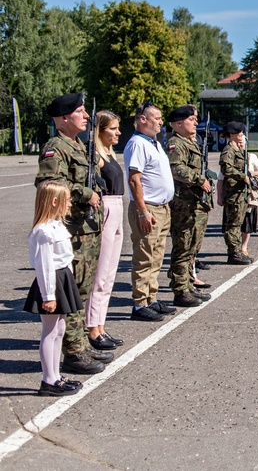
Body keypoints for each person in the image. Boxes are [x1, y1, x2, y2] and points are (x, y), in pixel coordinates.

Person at [35, 93, 109, 375]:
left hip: (87, 228)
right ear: (64, 118)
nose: (87, 116)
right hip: (71, 229)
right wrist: (85, 193)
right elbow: (50, 183)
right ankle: (73, 352)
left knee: (82, 290)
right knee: (71, 291)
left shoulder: (79, 145)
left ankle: (80, 345)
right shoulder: (56, 147)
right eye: (81, 112)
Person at [24, 181, 84, 396]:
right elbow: (45, 266)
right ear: (54, 201)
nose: (70, 204)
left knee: (59, 329)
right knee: (50, 331)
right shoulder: (43, 232)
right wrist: (49, 295)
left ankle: (55, 375)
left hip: (61, 279)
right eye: (66, 200)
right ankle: (48, 380)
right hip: (51, 282)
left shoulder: (57, 225)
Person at [125, 101, 176, 321]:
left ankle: (151, 298)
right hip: (148, 208)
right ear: (142, 119)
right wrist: (142, 211)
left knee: (156, 256)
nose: (161, 122)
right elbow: (135, 179)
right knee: (144, 256)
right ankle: (139, 304)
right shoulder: (137, 143)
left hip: (162, 208)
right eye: (156, 118)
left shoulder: (153, 142)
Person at [165, 105, 213, 308]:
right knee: (183, 247)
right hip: (183, 204)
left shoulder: (190, 142)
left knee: (193, 246)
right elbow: (176, 169)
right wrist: (198, 179)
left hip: (196, 203)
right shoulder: (176, 144)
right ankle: (180, 290)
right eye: (191, 119)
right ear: (178, 123)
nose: (195, 122)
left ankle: (188, 284)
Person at [86, 111, 125, 351]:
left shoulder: (109, 153)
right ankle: (92, 329)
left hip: (117, 205)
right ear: (99, 130)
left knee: (110, 273)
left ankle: (100, 324)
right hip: (105, 207)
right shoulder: (95, 155)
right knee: (100, 273)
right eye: (112, 129)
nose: (118, 132)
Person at [220, 122, 253, 264]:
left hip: (240, 192)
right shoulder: (229, 150)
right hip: (233, 193)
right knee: (233, 225)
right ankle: (233, 254)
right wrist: (242, 176)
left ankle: (238, 251)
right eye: (238, 133)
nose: (241, 135)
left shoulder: (238, 149)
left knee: (238, 223)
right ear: (231, 134)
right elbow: (226, 169)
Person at [241, 137, 258, 258]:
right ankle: (234, 248)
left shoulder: (252, 157)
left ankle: (244, 247)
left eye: (242, 142)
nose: (240, 143)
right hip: (234, 195)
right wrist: (220, 196)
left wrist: (253, 173)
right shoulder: (229, 156)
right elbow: (220, 178)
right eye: (238, 141)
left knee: (247, 221)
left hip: (249, 195)